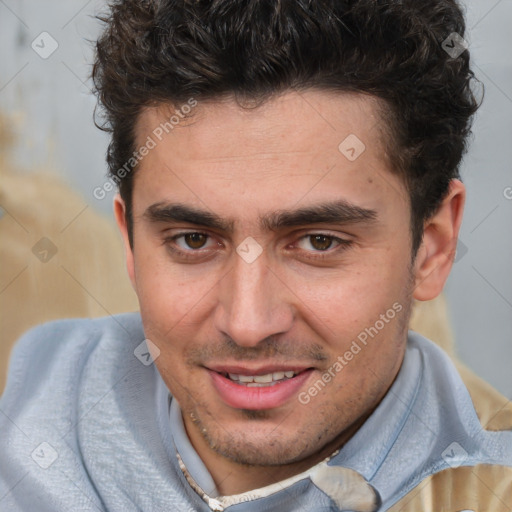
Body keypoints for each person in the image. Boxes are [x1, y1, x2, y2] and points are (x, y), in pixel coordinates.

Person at [1, 0, 511, 510]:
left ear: (434, 246)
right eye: (193, 240)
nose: (247, 324)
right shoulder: (35, 397)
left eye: (319, 242)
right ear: (130, 243)